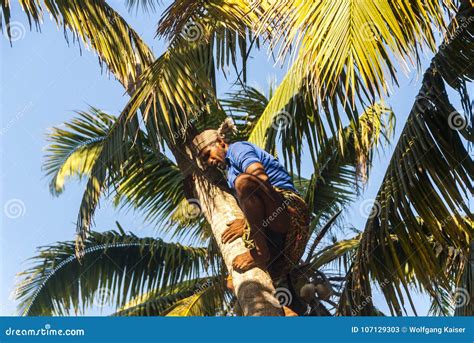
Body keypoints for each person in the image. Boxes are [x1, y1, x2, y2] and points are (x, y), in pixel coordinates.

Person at [192, 118, 310, 281]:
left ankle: (260, 252)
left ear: (220, 142)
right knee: (234, 283)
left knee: (244, 182)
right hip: (275, 238)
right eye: (205, 161)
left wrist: (248, 223)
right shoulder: (229, 172)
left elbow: (259, 177)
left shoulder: (238, 149)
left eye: (208, 155)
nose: (210, 162)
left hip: (288, 209)